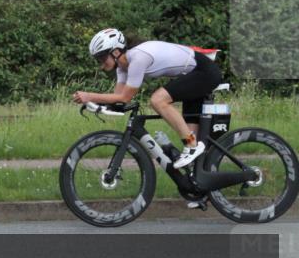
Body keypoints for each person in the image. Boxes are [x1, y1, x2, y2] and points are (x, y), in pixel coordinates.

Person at [73, 28, 223, 169]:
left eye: (101, 57)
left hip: (204, 72)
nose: (101, 64)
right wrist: (95, 104)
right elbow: (117, 100)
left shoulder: (138, 58)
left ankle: (192, 146)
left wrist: (89, 96)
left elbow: (125, 97)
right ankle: (197, 176)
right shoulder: (122, 67)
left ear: (116, 52)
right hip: (192, 75)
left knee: (158, 100)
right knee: (193, 153)